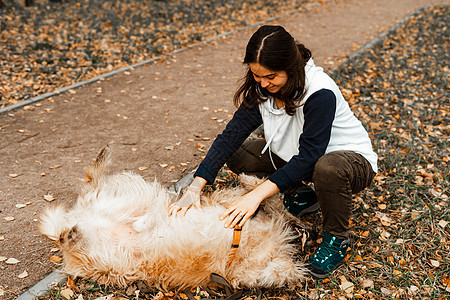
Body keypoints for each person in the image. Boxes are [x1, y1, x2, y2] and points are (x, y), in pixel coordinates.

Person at [168, 25, 377, 279]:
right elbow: (231, 136)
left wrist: (255, 196)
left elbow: (310, 156)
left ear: (291, 68)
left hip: (347, 161)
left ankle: (336, 239)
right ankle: (301, 195)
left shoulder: (320, 92)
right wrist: (195, 187)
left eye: (271, 77)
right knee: (238, 154)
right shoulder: (262, 88)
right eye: (257, 75)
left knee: (327, 168)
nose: (264, 84)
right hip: (296, 155)